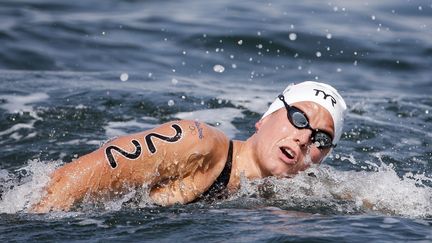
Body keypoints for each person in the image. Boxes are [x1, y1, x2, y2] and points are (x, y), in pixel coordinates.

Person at [32, 81, 347, 213]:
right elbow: (65, 184)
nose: (304, 138)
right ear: (263, 119)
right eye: (298, 118)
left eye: (321, 139)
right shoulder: (195, 144)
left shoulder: (292, 195)